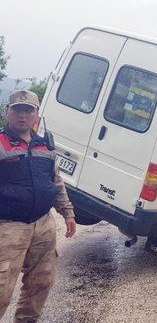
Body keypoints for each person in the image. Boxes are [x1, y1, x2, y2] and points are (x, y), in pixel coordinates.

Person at [0, 90, 76, 322]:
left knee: (41, 282)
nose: (22, 115)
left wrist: (68, 212)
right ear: (7, 112)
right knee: (2, 290)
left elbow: (55, 181)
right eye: (17, 109)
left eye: (28, 110)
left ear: (37, 115)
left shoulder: (45, 145)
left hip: (43, 224)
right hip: (9, 227)